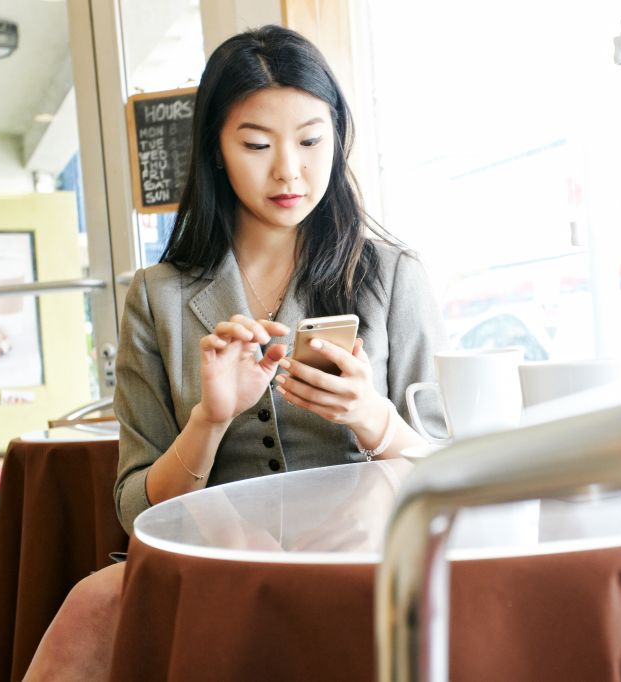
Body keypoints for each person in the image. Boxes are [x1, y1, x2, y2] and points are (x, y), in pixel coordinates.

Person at [24, 24, 444, 680]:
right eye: (255, 144)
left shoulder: (391, 276)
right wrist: (209, 420)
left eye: (311, 140)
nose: (289, 170)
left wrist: (374, 419)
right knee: (91, 608)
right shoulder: (156, 298)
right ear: (216, 150)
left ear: (336, 137)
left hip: (364, 558)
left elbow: (450, 466)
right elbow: (137, 511)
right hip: (212, 561)